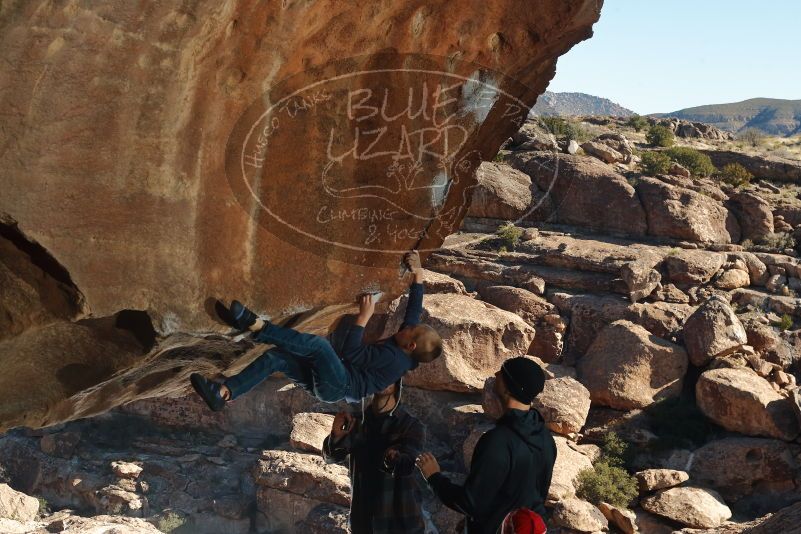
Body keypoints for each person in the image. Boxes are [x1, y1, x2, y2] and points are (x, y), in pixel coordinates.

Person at [189, 251, 442, 410]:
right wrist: (418, 274)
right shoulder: (407, 346)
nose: (407, 326)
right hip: (334, 380)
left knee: (320, 346)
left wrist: (363, 318)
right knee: (276, 358)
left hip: (338, 384)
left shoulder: (394, 360)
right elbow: (413, 313)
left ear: (410, 346)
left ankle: (256, 327)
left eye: (410, 331)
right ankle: (223, 392)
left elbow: (352, 352)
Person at [415, 357, 556, 534]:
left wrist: (434, 477)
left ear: (507, 388)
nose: (496, 374)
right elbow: (532, 496)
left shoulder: (497, 441)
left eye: (502, 373)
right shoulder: (546, 439)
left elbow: (471, 503)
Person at [322, 379, 426, 534]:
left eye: (390, 373)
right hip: (363, 521)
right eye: (380, 374)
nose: (385, 378)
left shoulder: (410, 425)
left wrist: (393, 459)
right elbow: (331, 457)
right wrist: (336, 435)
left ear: (398, 382)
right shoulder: (356, 422)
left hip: (399, 523)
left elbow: (407, 464)